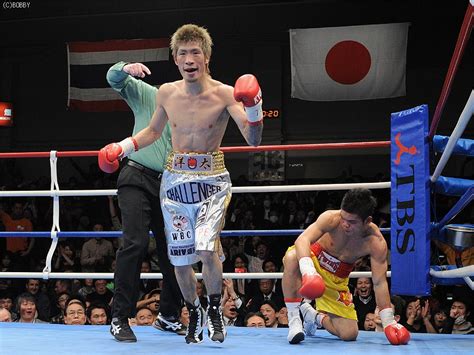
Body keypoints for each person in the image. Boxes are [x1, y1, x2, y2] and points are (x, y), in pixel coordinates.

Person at [98, 23, 263, 344]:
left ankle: (214, 308)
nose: (189, 58)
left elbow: (253, 140)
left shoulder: (226, 93)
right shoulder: (165, 93)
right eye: (183, 53)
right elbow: (153, 132)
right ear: (175, 58)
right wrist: (123, 146)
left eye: (195, 52)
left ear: (206, 57)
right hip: (172, 180)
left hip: (211, 178)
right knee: (180, 258)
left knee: (205, 248)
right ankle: (193, 310)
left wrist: (255, 108)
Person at [101, 57, 186, 341]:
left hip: (171, 185)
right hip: (136, 178)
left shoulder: (193, 112)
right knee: (135, 243)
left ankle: (169, 316)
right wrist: (125, 68)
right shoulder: (149, 94)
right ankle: (119, 317)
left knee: (175, 252)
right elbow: (113, 78)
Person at [282, 188, 410, 345]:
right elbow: (302, 240)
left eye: (352, 222)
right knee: (291, 256)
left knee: (349, 334)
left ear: (367, 221)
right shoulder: (331, 218)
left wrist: (388, 321)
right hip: (314, 260)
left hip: (337, 279)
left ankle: (313, 316)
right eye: (344, 218)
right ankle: (294, 321)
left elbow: (379, 282)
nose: (345, 224)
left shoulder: (375, 242)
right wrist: (309, 271)